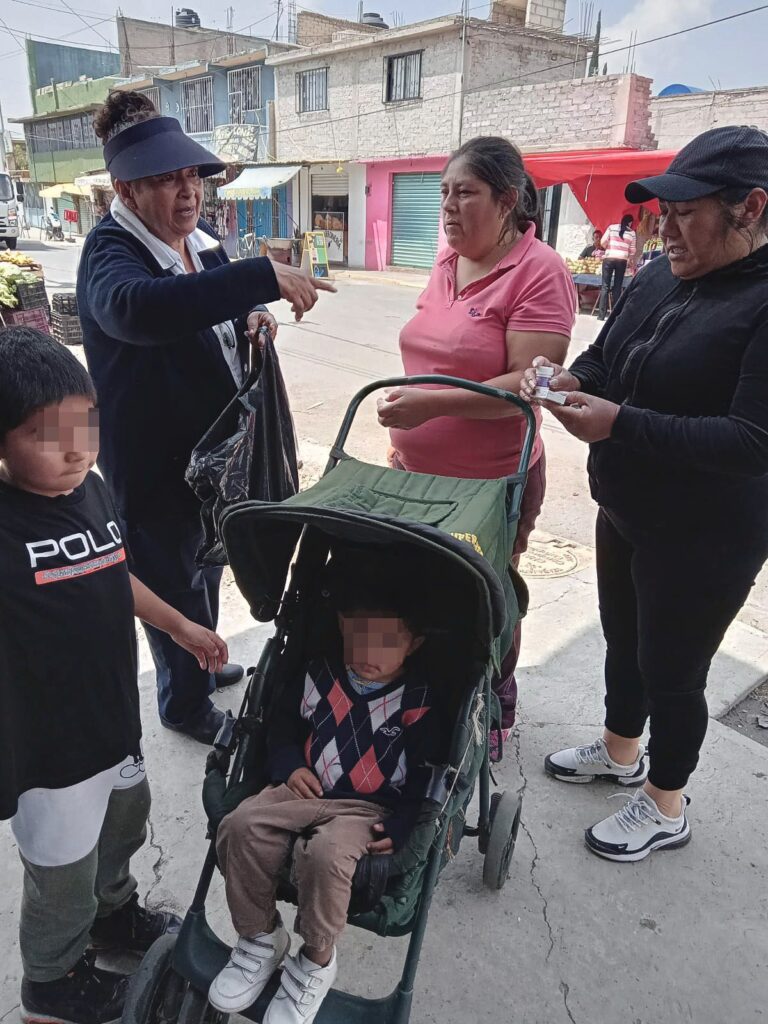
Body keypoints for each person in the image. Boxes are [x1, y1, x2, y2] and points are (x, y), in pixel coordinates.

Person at [519, 125, 768, 862]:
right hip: (626, 506)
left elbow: (752, 441)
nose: (665, 228)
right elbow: (603, 355)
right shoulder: (661, 273)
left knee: (674, 671)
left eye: (687, 211)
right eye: (662, 211)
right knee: (623, 643)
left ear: (751, 208)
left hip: (707, 534)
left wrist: (621, 424)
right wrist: (574, 384)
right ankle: (620, 751)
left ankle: (665, 803)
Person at [77, 92, 335, 745]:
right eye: (166, 178)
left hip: (216, 461)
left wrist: (253, 315)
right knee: (170, 581)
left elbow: (219, 311)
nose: (186, 190)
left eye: (192, 174)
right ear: (126, 188)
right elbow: (141, 310)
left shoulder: (203, 244)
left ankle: (206, 658)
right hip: (157, 466)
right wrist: (257, 279)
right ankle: (184, 703)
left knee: (209, 565)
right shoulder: (110, 254)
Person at [0, 327, 230, 1024]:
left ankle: (114, 914)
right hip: (47, 745)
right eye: (48, 435)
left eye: (86, 426)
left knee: (124, 823)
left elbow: (113, 573)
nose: (77, 448)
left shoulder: (91, 490)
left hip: (110, 719)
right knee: (61, 871)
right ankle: (53, 979)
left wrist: (180, 625)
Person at [377, 135, 576, 746]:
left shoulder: (540, 270)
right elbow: (433, 350)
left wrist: (429, 406)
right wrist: (409, 435)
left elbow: (534, 381)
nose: (448, 207)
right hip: (418, 470)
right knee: (419, 590)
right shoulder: (446, 261)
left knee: (487, 592)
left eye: (465, 193)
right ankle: (427, 693)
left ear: (508, 200)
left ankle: (494, 702)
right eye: (443, 193)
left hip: (494, 480)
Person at [209, 565, 434, 1023]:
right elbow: (283, 728)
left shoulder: (417, 700)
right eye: (360, 638)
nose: (370, 654)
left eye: (387, 642)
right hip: (302, 785)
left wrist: (405, 821)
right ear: (342, 629)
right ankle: (260, 937)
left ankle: (315, 959)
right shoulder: (318, 676)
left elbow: (427, 774)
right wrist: (288, 763)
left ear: (414, 643)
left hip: (366, 806)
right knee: (239, 825)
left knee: (327, 855)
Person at [596, 214, 636, 319]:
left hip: (609, 258)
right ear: (630, 222)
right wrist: (630, 261)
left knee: (605, 286)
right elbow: (632, 251)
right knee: (617, 286)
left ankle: (601, 315)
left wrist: (608, 248)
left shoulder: (611, 228)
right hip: (622, 260)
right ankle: (614, 315)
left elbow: (603, 242)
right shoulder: (632, 233)